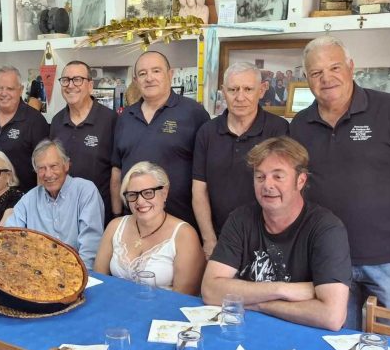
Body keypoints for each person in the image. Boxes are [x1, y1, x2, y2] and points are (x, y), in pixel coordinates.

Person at [290, 36, 390, 330]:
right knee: (336, 346)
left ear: (351, 67)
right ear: (307, 78)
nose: (326, 78)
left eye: (334, 67)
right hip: (329, 261)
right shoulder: (300, 124)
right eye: (316, 73)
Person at [202, 137, 351, 331]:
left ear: (300, 181)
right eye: (260, 177)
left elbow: (332, 316)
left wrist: (260, 304)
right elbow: (210, 291)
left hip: (301, 336)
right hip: (244, 329)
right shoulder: (240, 219)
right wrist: (282, 290)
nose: (267, 185)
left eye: (278, 176)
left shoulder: (327, 229)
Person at [192, 62, 289, 258]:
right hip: (219, 238)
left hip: (266, 239)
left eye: (248, 89)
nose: (240, 97)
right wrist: (209, 240)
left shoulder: (278, 129)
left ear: (261, 91)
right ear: (223, 92)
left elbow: (285, 189)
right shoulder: (207, 132)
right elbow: (199, 190)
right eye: (233, 89)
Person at [111, 51, 209, 229]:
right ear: (135, 80)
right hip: (134, 222)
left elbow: (206, 175)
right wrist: (117, 216)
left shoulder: (194, 113)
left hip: (182, 223)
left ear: (170, 74)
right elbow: (117, 171)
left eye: (156, 71)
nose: (149, 78)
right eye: (142, 73)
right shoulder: (125, 117)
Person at [94, 162, 204, 295]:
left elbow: (183, 298)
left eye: (148, 193)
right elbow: (98, 281)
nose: (140, 202)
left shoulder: (184, 234)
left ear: (164, 192)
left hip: (162, 312)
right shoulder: (115, 226)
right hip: (116, 308)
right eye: (133, 195)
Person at [5, 139, 104, 267]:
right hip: (35, 273)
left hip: (76, 272)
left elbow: (90, 247)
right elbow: (10, 237)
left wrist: (82, 277)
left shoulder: (86, 191)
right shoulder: (28, 199)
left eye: (53, 166)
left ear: (66, 165)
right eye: (41, 168)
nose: (48, 174)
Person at [50, 60, 116, 224]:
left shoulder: (110, 120)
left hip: (99, 215)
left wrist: (117, 215)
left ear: (90, 85)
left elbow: (117, 173)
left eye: (77, 79)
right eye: (65, 80)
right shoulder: (57, 121)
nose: (70, 85)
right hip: (62, 215)